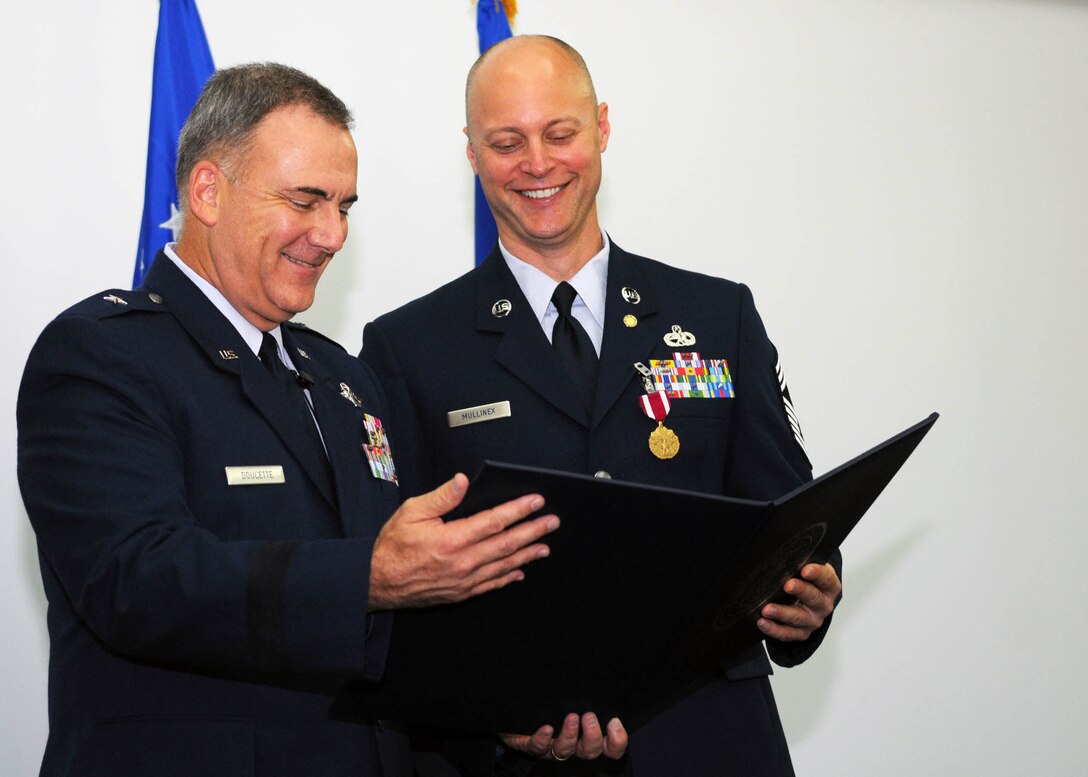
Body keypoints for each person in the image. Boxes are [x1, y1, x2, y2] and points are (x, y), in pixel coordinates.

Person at [16, 62, 567, 777]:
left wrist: (508, 716)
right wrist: (367, 574)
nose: (332, 234)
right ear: (208, 190)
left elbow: (394, 636)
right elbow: (136, 578)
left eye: (345, 205)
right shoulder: (102, 353)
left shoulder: (344, 378)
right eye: (306, 200)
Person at [360, 36, 843, 776]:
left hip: (710, 738)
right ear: (471, 153)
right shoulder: (409, 347)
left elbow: (792, 516)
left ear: (602, 128)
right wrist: (492, 715)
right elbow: (394, 587)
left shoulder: (716, 316)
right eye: (507, 142)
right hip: (513, 753)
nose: (539, 163)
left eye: (560, 133)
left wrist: (809, 595)